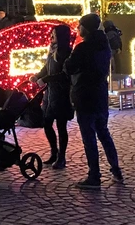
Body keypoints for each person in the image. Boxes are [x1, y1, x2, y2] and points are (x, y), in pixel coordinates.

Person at [64, 13, 123, 189]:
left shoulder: (83, 48)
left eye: (80, 25)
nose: (78, 28)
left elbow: (69, 67)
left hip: (85, 96)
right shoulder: (104, 46)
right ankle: (116, 169)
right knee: (103, 133)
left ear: (86, 28)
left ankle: (94, 176)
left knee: (89, 137)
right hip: (100, 95)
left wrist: (69, 58)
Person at [30, 22, 74, 169]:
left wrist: (46, 79)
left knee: (61, 126)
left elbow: (64, 75)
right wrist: (37, 76)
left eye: (54, 35)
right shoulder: (52, 50)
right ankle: (54, 152)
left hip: (61, 95)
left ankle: (61, 157)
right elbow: (46, 68)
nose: (51, 37)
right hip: (50, 94)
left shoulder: (66, 53)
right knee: (47, 123)